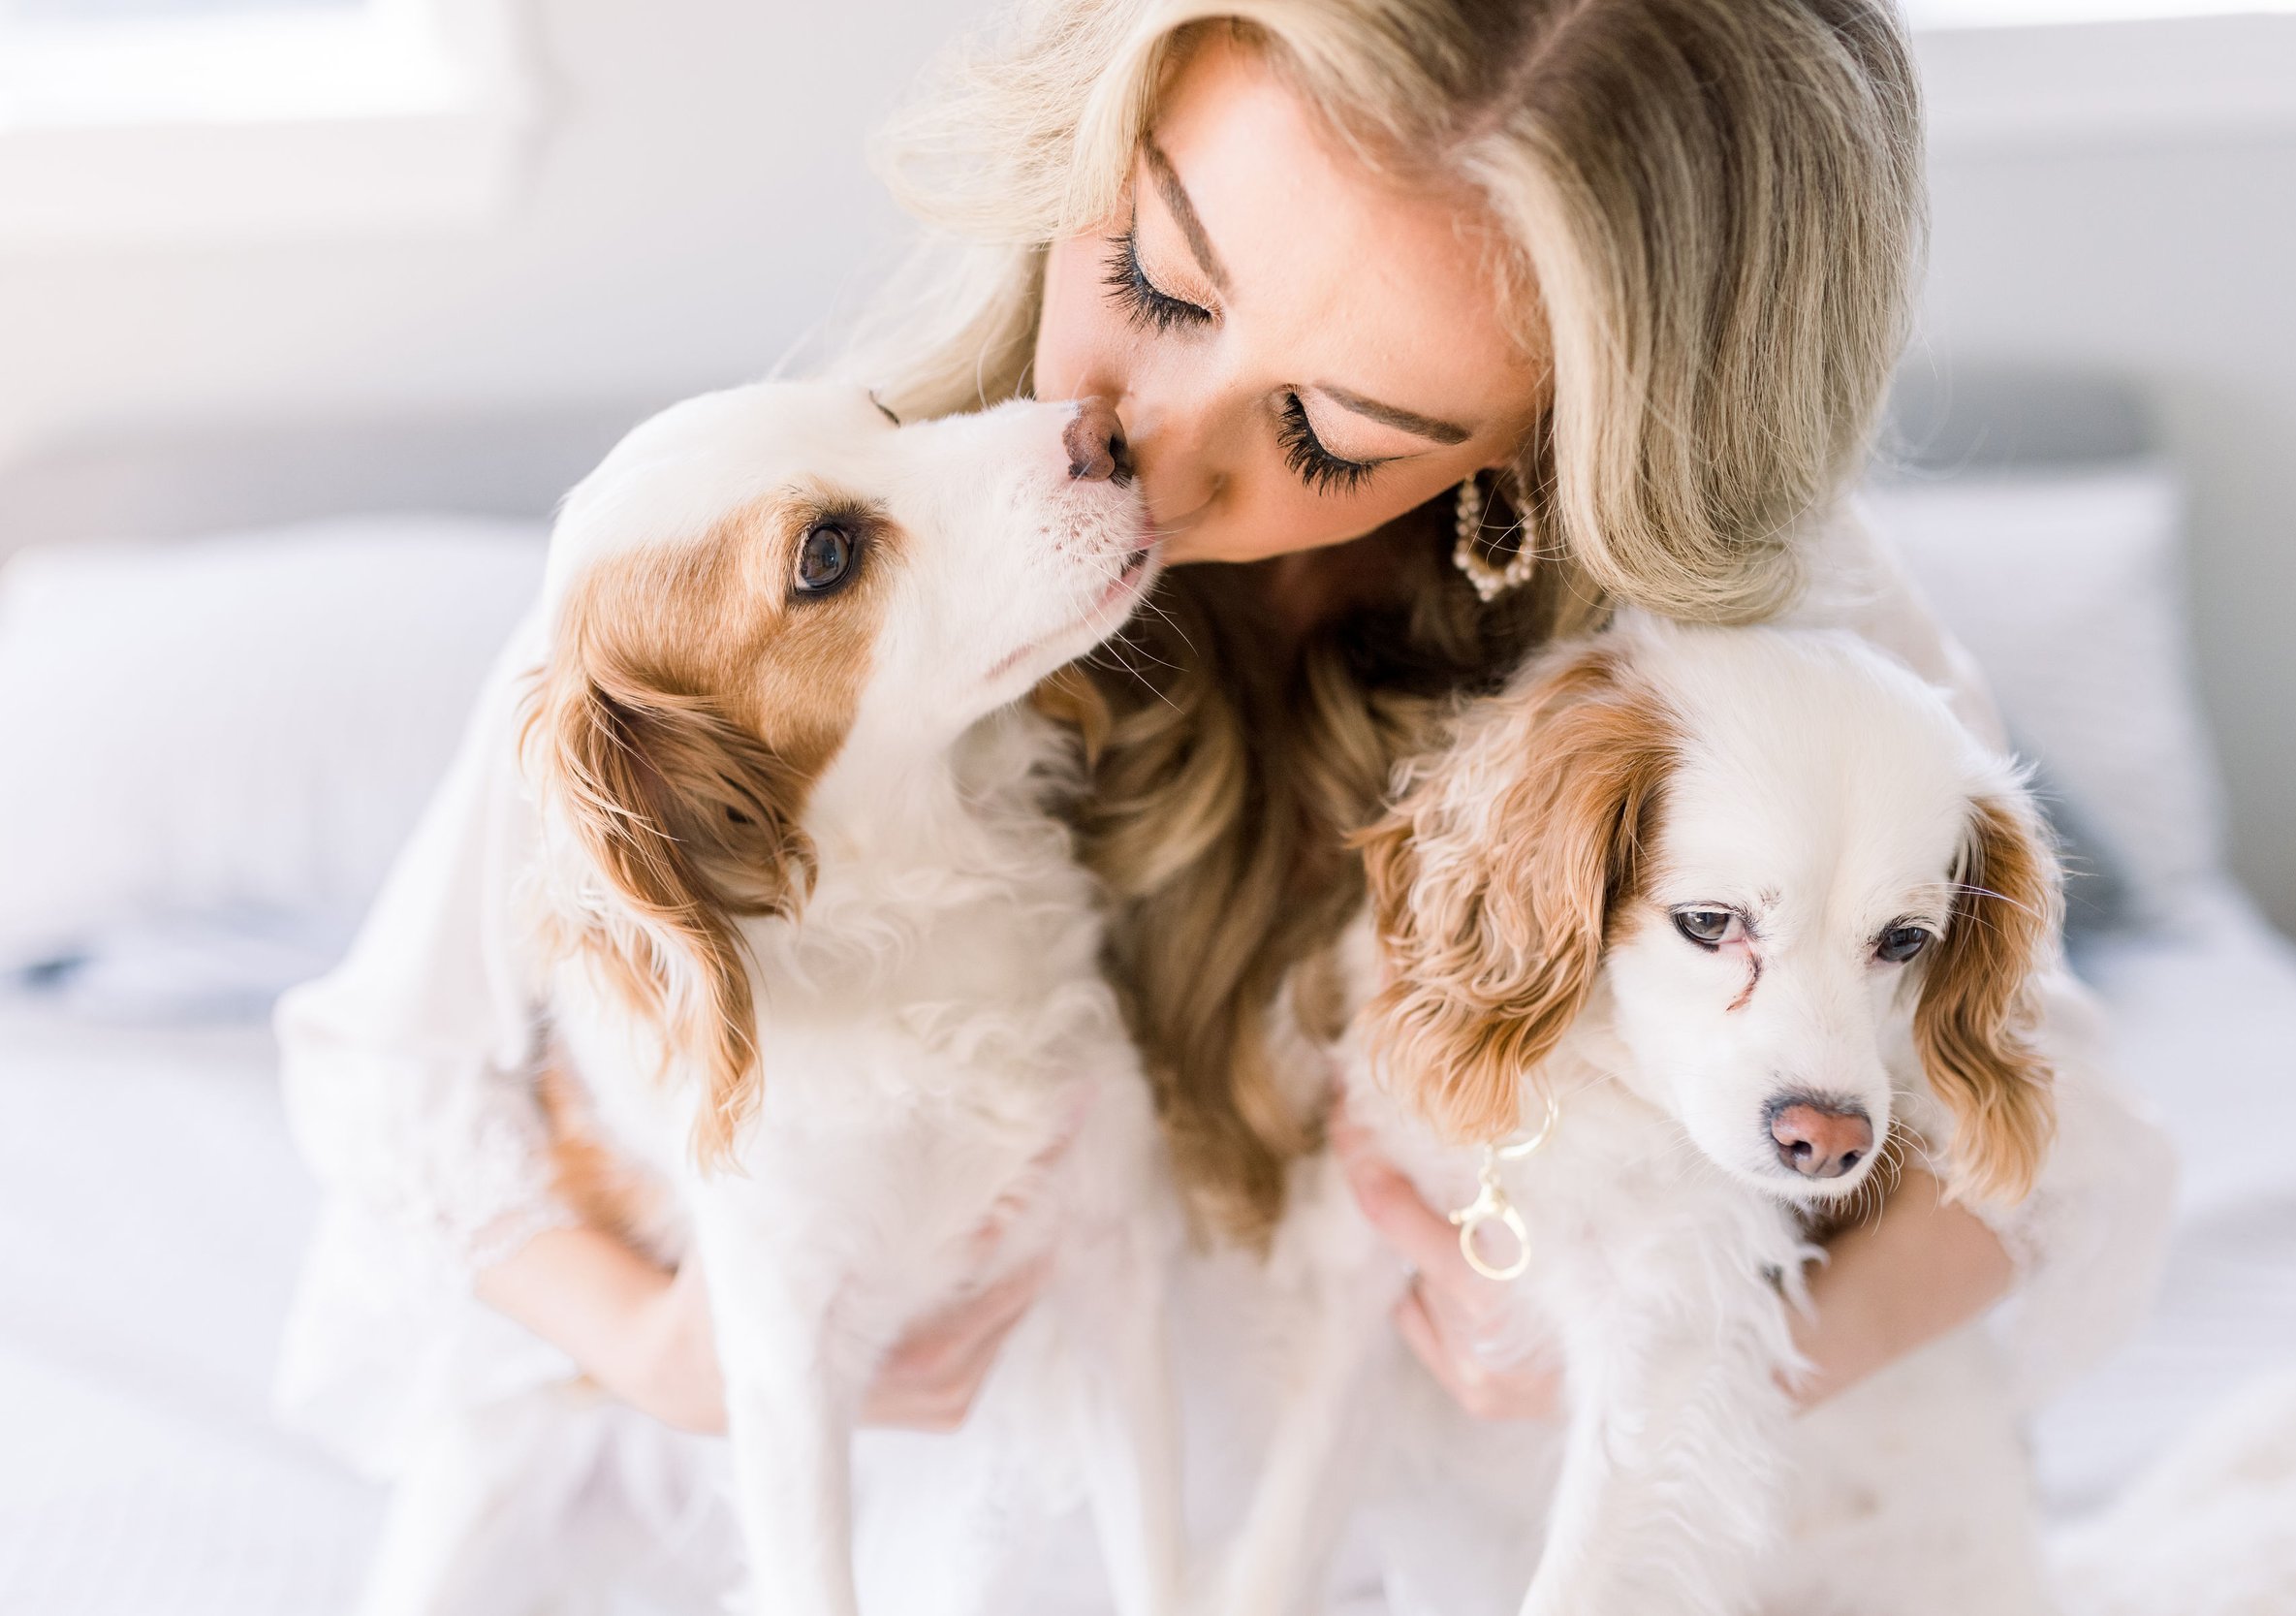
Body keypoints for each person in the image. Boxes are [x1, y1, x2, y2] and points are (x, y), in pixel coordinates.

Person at [277, 0, 2171, 1603]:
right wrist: (667, 1351)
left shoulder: (1741, 645)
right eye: (1152, 281)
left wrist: (1629, 1366)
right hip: (996, 1511)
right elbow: (393, 1065)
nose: (1152, 447)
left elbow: (2053, 1155)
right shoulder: (754, 533)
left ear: (1554, 455)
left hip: (1457, 1516)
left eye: (1327, 435)